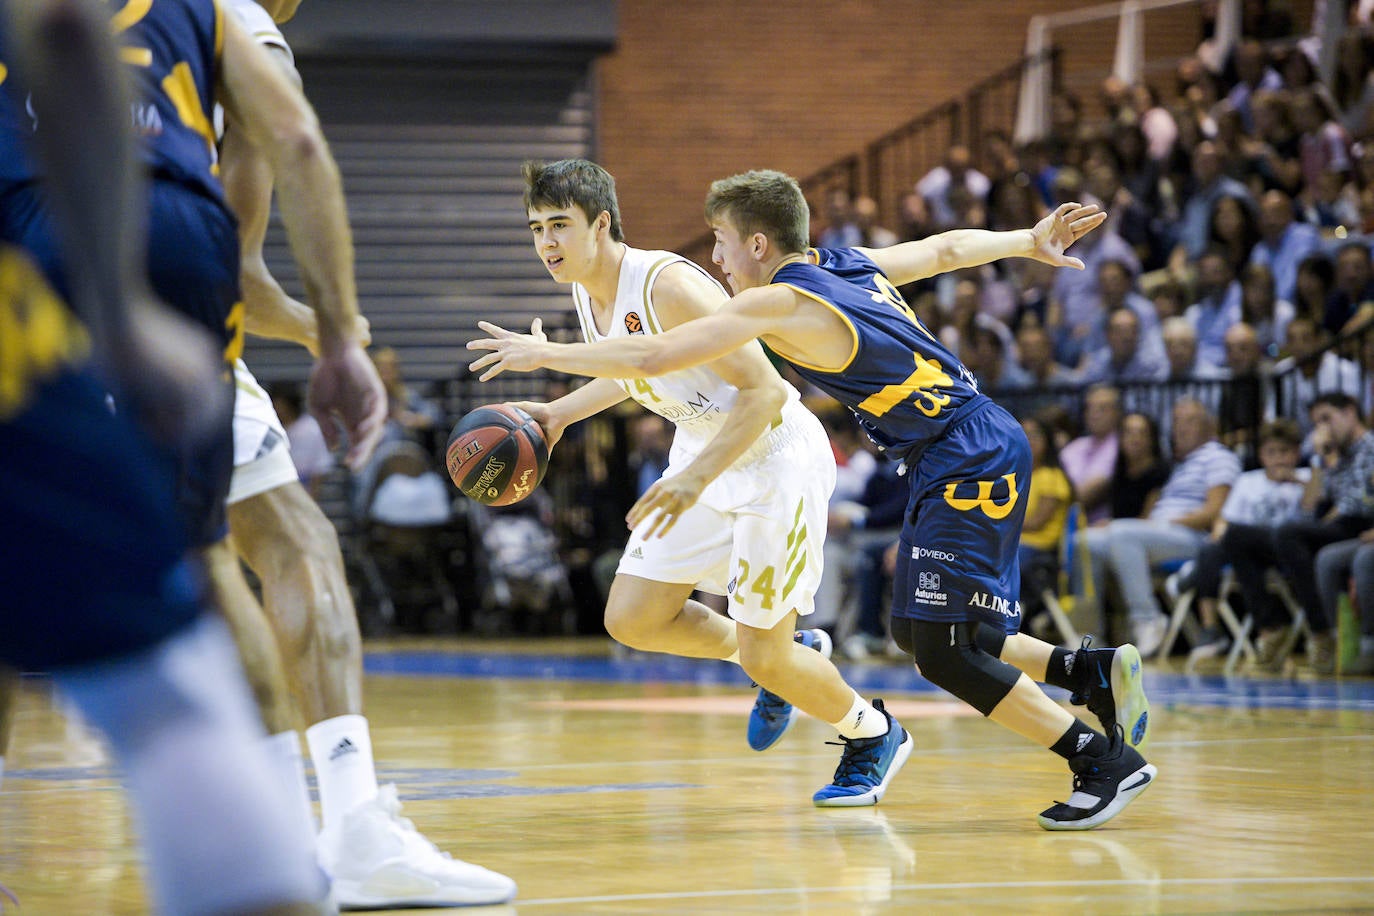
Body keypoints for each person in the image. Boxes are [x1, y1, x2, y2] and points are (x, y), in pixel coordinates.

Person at [471, 169, 1156, 831]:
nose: (716, 260)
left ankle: (1101, 761)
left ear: (758, 246)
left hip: (959, 453)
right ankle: (1082, 670)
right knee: (917, 630)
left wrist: (547, 356)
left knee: (941, 650)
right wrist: (1024, 241)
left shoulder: (773, 302)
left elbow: (656, 357)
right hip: (948, 450)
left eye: (722, 243)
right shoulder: (842, 264)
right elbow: (943, 250)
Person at [0, 1, 327, 911]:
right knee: (169, 660)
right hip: (45, 318)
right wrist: (117, 306)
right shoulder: (206, 22)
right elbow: (69, 47)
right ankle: (282, 855)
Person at [216, 1, 517, 906]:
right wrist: (336, 336)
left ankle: (283, 839)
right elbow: (236, 266)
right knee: (293, 552)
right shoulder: (232, 25)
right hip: (155, 330)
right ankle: (341, 828)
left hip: (26, 322)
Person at [508, 158, 911, 808]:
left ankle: (874, 732)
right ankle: (788, 651)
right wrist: (558, 414)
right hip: (703, 450)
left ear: (602, 223)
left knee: (765, 657)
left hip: (771, 458)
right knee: (634, 618)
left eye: (560, 225)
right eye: (536, 229)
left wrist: (694, 479)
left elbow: (766, 392)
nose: (547, 243)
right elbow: (638, 370)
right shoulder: (589, 291)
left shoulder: (667, 284)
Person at [1081, 399, 1240, 656]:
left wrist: (1164, 523)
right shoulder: (1183, 465)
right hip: (1160, 533)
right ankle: (1089, 634)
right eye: (1177, 421)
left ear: (1210, 426)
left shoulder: (1219, 457)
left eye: (1190, 420)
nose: (1180, 428)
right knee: (1085, 540)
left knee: (1122, 533)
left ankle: (1148, 619)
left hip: (1194, 538)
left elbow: (1216, 512)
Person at [1181, 419, 1309, 660]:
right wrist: (1218, 534)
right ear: (1261, 455)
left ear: (1297, 453)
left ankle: (1190, 576)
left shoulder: (1307, 478)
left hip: (1286, 547)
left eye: (1285, 451)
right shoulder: (1248, 480)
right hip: (1247, 549)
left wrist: (1298, 481)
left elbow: (1315, 510)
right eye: (1272, 452)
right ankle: (1210, 628)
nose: (1279, 458)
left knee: (1236, 538)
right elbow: (1225, 520)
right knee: (1212, 548)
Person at [1272, 393, 1374, 674]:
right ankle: (1332, 636)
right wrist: (1320, 458)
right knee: (1309, 547)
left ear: (1351, 412)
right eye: (1317, 423)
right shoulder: (1335, 456)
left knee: (1291, 534)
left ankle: (1357, 641)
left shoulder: (1371, 447)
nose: (1322, 429)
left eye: (1327, 419)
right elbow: (1311, 506)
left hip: (1361, 525)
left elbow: (1357, 504)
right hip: (1346, 530)